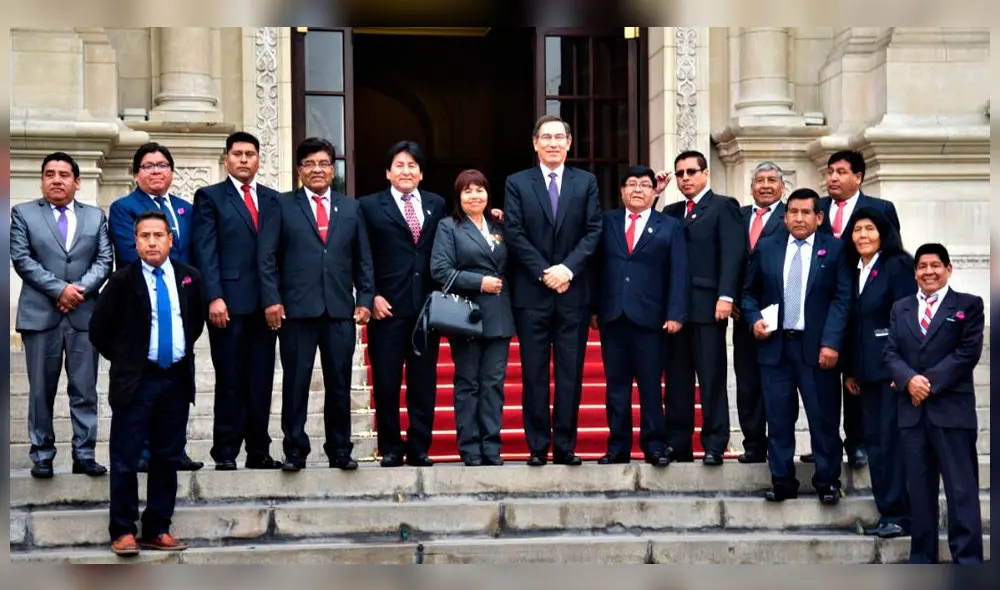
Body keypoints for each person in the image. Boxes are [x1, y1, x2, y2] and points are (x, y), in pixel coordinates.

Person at [89, 210, 206, 556]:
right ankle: (123, 529)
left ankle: (157, 526)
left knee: (166, 456)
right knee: (125, 457)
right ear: (135, 241)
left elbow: (194, 323)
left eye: (158, 235)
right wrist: (129, 359)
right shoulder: (122, 281)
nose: (152, 242)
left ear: (171, 239)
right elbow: (99, 330)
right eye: (144, 236)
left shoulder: (189, 278)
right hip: (137, 382)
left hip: (175, 379)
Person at [258, 137, 375, 472]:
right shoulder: (281, 205)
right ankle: (295, 449)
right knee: (296, 382)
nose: (317, 170)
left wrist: (365, 298)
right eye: (309, 163)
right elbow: (266, 257)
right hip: (295, 311)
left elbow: (362, 258)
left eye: (324, 163)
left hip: (339, 309)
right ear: (299, 170)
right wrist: (272, 300)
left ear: (332, 168)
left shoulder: (350, 207)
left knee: (339, 382)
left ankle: (340, 449)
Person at [503, 114, 603, 466]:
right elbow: (514, 232)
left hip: (573, 294)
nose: (553, 143)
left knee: (569, 374)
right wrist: (545, 272)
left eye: (559, 137)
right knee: (533, 374)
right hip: (533, 294)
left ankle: (565, 446)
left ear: (569, 143)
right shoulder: (517, 182)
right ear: (535, 143)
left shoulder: (586, 181)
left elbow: (593, 231)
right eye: (546, 137)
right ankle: (537, 446)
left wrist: (567, 269)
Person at [741, 188, 851, 504]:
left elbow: (842, 299)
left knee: (824, 418)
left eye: (806, 212)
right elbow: (748, 293)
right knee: (777, 419)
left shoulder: (835, 249)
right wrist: (753, 320)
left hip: (817, 351)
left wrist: (831, 343)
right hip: (776, 348)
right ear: (785, 215)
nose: (798, 218)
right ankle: (782, 481)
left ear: (819, 217)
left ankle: (828, 481)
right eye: (793, 212)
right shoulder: (766, 248)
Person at [11, 152, 113, 478]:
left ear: (77, 182)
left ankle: (84, 454)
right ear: (42, 180)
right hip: (41, 316)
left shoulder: (96, 218)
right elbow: (22, 259)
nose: (57, 180)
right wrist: (60, 290)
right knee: (41, 390)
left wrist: (77, 291)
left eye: (64, 174)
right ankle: (42, 454)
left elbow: (103, 261)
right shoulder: (23, 214)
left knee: (84, 390)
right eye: (50, 174)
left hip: (84, 316)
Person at [885, 243, 985, 564]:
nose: (929, 271)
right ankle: (922, 562)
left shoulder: (968, 306)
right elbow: (890, 352)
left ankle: (967, 563)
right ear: (915, 272)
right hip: (912, 416)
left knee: (962, 493)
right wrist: (907, 380)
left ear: (948, 269)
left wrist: (924, 383)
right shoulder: (900, 308)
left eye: (935, 265)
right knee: (920, 495)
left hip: (952, 413)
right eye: (922, 266)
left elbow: (967, 353)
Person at [107, 142, 202, 472]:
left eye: (162, 165)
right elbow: (131, 252)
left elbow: (195, 255)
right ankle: (145, 451)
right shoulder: (123, 207)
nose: (156, 171)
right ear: (136, 174)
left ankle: (175, 449)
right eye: (148, 166)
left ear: (172, 172)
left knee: (176, 386)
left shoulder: (185, 209)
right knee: (144, 385)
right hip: (141, 303)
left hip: (179, 304)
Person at [191, 131, 282, 470]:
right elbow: (206, 251)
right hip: (227, 306)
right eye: (238, 154)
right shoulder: (210, 197)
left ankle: (259, 451)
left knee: (261, 380)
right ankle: (225, 451)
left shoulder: (274, 200)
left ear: (260, 159)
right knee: (230, 380)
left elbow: (278, 254)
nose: (244, 160)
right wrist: (213, 297)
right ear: (226, 159)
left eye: (250, 154)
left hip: (266, 307)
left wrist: (277, 298)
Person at [591, 166, 687, 467]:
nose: (637, 189)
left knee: (649, 386)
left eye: (644, 185)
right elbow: (595, 268)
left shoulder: (669, 226)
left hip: (652, 319)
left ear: (654, 191)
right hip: (613, 317)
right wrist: (594, 308)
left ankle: (654, 445)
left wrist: (675, 313)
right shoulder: (606, 222)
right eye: (631, 184)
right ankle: (617, 447)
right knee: (616, 388)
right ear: (621, 191)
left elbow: (679, 272)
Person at [358, 141, 446, 468]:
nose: (406, 171)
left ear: (421, 173)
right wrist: (371, 295)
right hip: (387, 308)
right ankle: (391, 447)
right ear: (387, 172)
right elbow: (361, 255)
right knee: (386, 382)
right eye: (399, 165)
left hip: (426, 310)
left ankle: (420, 446)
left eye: (412, 165)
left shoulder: (436, 205)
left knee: (423, 383)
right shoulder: (367, 206)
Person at [810, 149, 901, 468]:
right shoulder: (816, 208)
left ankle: (858, 441)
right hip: (826, 309)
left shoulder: (879, 208)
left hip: (866, 305)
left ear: (859, 177)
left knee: (858, 377)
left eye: (841, 171)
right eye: (830, 171)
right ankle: (826, 442)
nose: (833, 177)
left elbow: (893, 256)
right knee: (823, 384)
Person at [662, 150, 743, 465]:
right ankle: (678, 443)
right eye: (679, 173)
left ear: (706, 173)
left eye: (691, 172)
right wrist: (653, 195)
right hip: (675, 309)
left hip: (709, 307)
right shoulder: (670, 211)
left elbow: (733, 253)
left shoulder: (723, 207)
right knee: (678, 380)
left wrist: (726, 295)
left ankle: (714, 443)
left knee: (710, 377)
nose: (685, 178)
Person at [429, 169, 515, 466]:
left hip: (500, 316)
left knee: (494, 384)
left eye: (480, 189)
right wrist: (479, 282)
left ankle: (492, 447)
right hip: (466, 315)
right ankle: (470, 448)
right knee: (468, 384)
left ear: (488, 194)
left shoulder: (500, 226)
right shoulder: (449, 227)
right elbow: (440, 270)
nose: (474, 195)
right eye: (468, 190)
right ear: (459, 196)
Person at [841, 207, 916, 538]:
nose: (862, 236)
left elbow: (906, 318)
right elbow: (855, 324)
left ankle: (899, 513)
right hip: (865, 373)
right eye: (857, 230)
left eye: (869, 229)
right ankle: (889, 510)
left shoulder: (897, 265)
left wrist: (900, 369)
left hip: (891, 371)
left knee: (890, 442)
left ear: (883, 233)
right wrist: (851, 370)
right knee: (875, 442)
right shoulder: (855, 270)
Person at [733, 162, 788, 464]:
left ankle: (780, 444)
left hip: (780, 315)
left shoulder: (791, 216)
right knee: (747, 384)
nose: (765, 186)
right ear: (751, 185)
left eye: (771, 180)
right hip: (743, 315)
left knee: (777, 384)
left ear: (782, 186)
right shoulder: (737, 216)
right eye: (759, 180)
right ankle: (753, 443)